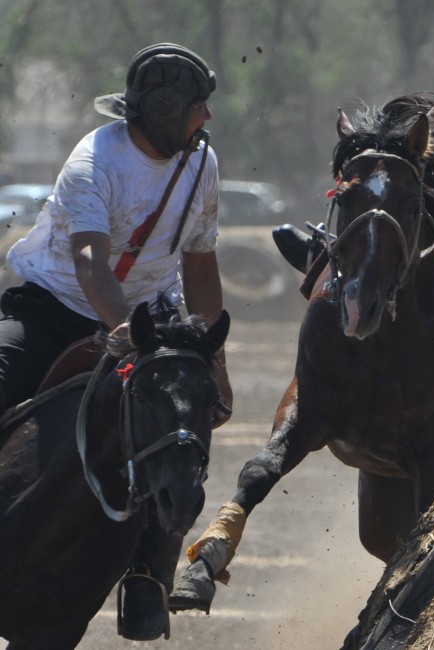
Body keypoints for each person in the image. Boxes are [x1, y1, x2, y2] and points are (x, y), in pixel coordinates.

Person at [0, 42, 233, 641]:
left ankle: (148, 576)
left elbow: (201, 265)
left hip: (156, 321)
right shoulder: (94, 160)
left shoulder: (201, 163)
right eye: (198, 106)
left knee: (177, 435)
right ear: (164, 108)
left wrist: (215, 359)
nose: (206, 117)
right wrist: (123, 331)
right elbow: (88, 262)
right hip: (56, 308)